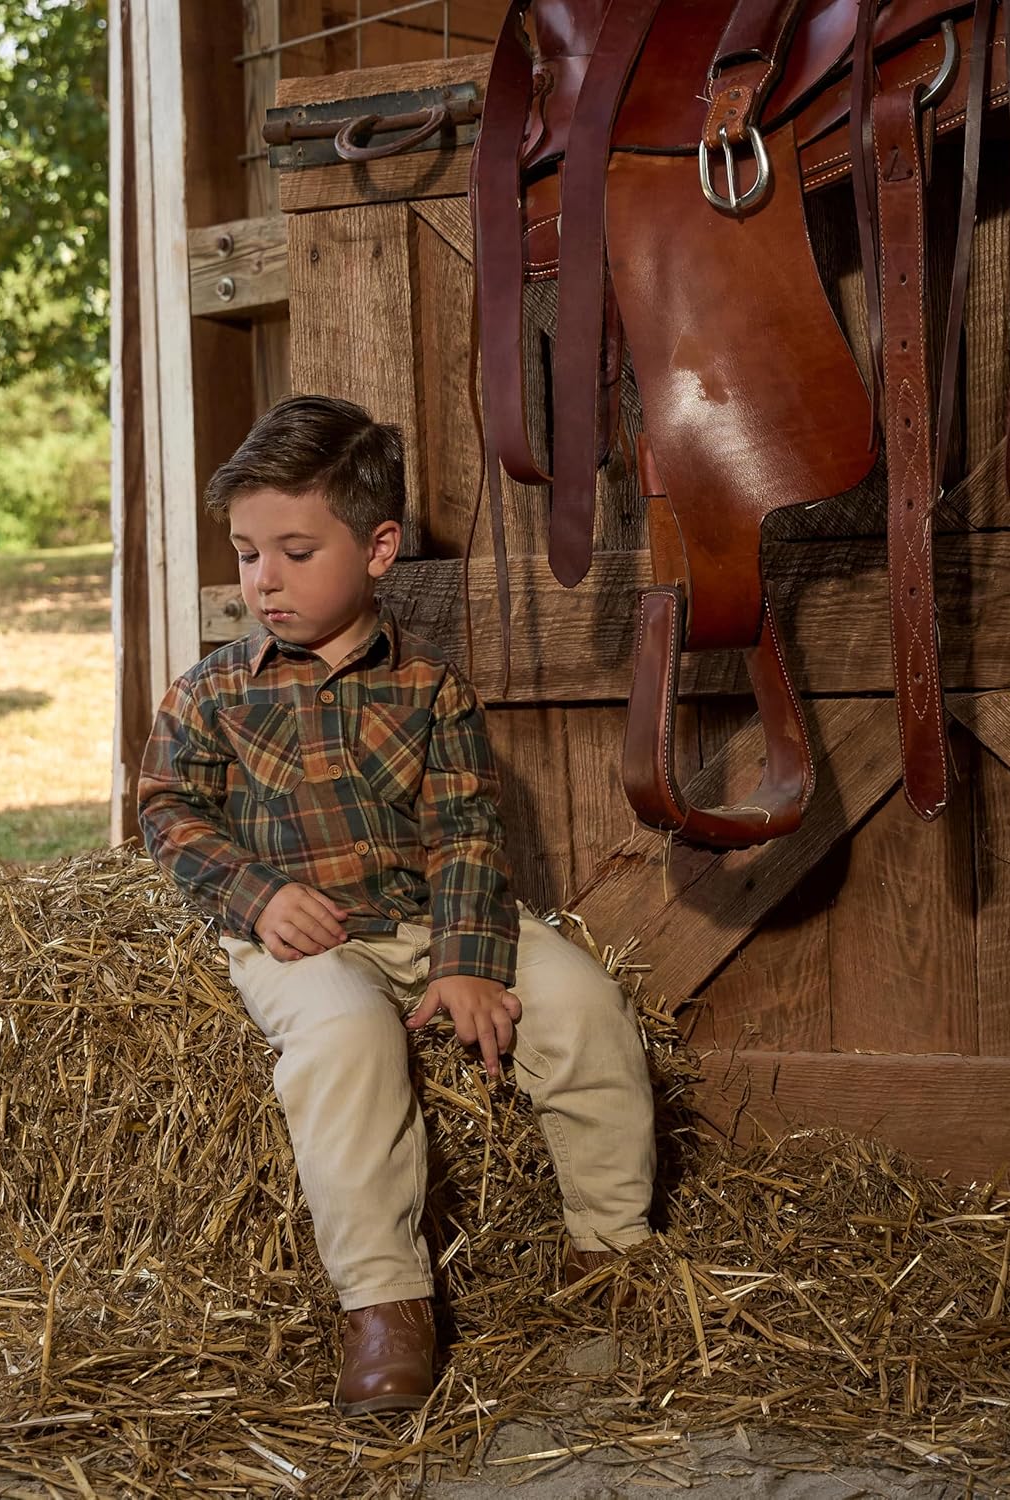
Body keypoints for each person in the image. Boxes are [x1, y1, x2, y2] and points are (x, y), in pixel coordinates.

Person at [138, 394, 655, 1416]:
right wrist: (257, 894)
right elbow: (169, 813)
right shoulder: (208, 694)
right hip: (297, 940)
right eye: (247, 555)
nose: (264, 581)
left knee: (585, 1007)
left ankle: (617, 1258)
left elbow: (468, 835)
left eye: (293, 550)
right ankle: (384, 1307)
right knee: (345, 1040)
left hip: (426, 921)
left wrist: (469, 959)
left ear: (379, 551)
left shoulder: (431, 691)